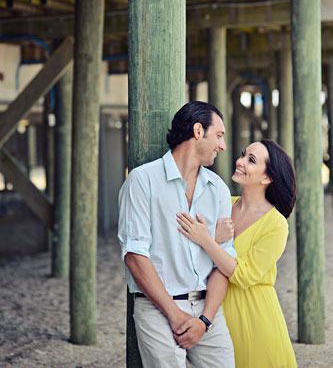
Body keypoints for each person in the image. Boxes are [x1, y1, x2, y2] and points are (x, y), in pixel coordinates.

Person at [118, 101, 236, 368]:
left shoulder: (218, 189)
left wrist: (205, 320)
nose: (223, 146)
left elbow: (224, 263)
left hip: (208, 312)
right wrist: (174, 314)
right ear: (197, 131)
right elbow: (135, 256)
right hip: (158, 309)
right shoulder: (142, 181)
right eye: (219, 135)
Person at [177, 139, 297, 368]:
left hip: (255, 316)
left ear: (267, 178)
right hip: (215, 309)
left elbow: (245, 274)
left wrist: (207, 240)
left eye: (251, 160)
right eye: (243, 155)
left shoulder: (276, 224)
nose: (240, 161)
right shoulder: (224, 204)